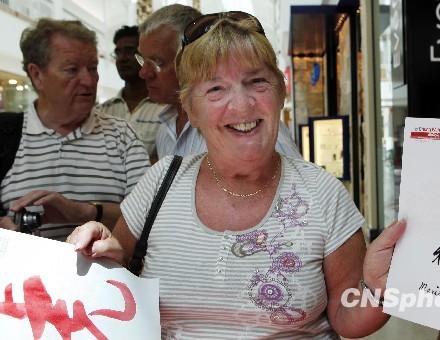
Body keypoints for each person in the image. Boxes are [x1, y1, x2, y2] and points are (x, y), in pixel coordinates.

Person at [67, 11, 406, 338]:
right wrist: (99, 259)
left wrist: (378, 290)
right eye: (215, 89)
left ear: (280, 93)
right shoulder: (159, 184)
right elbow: (112, 290)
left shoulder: (323, 194)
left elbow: (347, 317)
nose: (242, 105)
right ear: (191, 109)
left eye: (257, 81)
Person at [0, 18, 150, 241]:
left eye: (92, 68)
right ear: (37, 75)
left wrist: (85, 212)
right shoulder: (5, 135)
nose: (89, 81)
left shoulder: (122, 136)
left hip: (106, 275)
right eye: (72, 70)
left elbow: (152, 219)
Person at [136, 4, 303, 159]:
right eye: (143, 61)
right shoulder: (166, 128)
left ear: (186, 64)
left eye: (157, 63)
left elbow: (293, 185)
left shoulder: (257, 131)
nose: (144, 73)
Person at [94, 25, 165, 160]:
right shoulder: (102, 111)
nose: (121, 58)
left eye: (129, 51)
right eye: (118, 52)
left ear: (145, 56)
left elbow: (167, 161)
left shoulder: (166, 111)